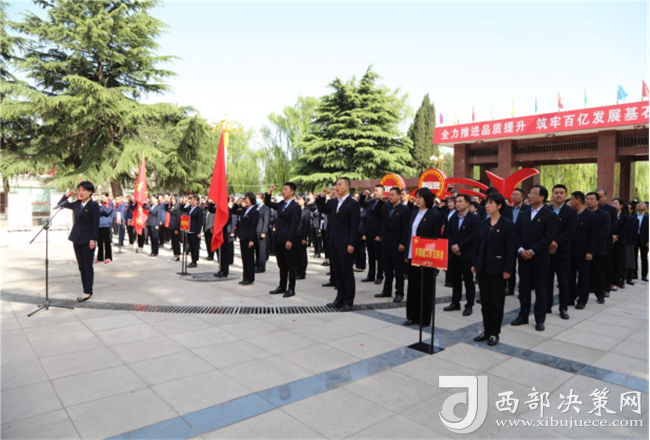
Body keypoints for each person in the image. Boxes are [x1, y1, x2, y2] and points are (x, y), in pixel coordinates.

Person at [472, 192, 515, 346]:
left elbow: (510, 249)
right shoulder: (483, 223)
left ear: (499, 206)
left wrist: (508, 269)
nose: (487, 206)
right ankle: (486, 330)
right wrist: (475, 263)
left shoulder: (507, 224)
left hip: (498, 268)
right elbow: (477, 245)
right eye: (486, 203)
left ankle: (494, 333)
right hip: (483, 268)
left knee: (497, 303)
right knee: (485, 302)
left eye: (491, 203)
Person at [512, 185, 556, 331]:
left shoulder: (549, 215)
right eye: (530, 193)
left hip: (540, 258)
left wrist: (532, 251)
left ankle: (540, 319)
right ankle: (523, 315)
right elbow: (516, 233)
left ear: (542, 197)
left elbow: (548, 237)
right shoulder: (524, 213)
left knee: (541, 290)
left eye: (534, 194)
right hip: (523, 257)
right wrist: (520, 249)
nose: (530, 196)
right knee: (524, 288)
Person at [316, 178, 360, 311]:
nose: (337, 187)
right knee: (338, 272)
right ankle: (339, 298)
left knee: (346, 273)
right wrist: (322, 197)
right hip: (333, 242)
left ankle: (348, 301)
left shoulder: (352, 204)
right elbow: (322, 209)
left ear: (347, 187)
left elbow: (354, 226)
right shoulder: (334, 202)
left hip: (345, 243)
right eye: (336, 185)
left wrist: (351, 243)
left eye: (340, 185)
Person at [403, 188, 442, 326]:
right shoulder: (414, 213)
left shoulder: (434, 215)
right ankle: (412, 316)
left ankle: (424, 318)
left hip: (426, 256)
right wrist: (407, 252)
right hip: (413, 255)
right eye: (416, 197)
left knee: (425, 287)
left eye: (420, 197)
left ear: (427, 199)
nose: (417, 200)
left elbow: (435, 238)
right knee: (413, 287)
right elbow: (410, 234)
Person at [58, 182, 100, 302]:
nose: (81, 192)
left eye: (84, 190)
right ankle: (85, 288)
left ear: (90, 192)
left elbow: (95, 224)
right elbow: (60, 204)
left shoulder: (94, 205)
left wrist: (93, 239)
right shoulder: (77, 203)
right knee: (81, 266)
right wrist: (67, 195)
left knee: (87, 266)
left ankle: (88, 291)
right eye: (79, 190)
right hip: (76, 238)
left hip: (88, 239)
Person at [545, 184, 577, 319]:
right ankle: (546, 306)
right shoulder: (546, 210)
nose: (558, 195)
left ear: (566, 195)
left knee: (563, 281)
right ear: (552, 194)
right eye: (556, 192)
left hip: (563, 251)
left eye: (561, 193)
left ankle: (563, 308)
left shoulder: (571, 212)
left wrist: (556, 243)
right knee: (547, 280)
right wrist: (548, 242)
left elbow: (570, 231)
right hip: (546, 251)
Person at [444, 194, 479, 316]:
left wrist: (460, 246)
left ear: (467, 203)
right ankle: (455, 302)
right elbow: (448, 233)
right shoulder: (453, 217)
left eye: (460, 201)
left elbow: (473, 235)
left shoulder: (474, 218)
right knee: (455, 280)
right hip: (454, 254)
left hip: (467, 254)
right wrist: (453, 246)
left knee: (468, 281)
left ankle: (469, 305)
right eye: (456, 202)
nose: (457, 204)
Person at [265, 182, 301, 298]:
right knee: (282, 265)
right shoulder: (281, 204)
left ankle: (291, 288)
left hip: (287, 240)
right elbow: (268, 203)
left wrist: (289, 240)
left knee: (290, 265)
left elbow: (294, 225)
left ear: (292, 192)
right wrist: (270, 191)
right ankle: (282, 286)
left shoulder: (295, 207)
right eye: (283, 189)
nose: (283, 191)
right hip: (278, 238)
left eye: (286, 189)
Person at [376, 188, 410, 302]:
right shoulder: (387, 208)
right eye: (389, 195)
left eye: (392, 195)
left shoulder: (404, 210)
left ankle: (399, 292)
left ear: (399, 196)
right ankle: (387, 290)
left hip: (397, 243)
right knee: (387, 268)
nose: (390, 197)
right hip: (386, 242)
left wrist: (403, 243)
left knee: (398, 270)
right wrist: (381, 236)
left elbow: (406, 228)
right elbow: (382, 223)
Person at [568, 191, 598, 309]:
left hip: (584, 252)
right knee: (570, 276)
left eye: (572, 199)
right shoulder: (571, 214)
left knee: (583, 277)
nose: (570, 201)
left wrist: (590, 251)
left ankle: (582, 300)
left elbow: (593, 236)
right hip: (570, 251)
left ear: (578, 200)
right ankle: (570, 297)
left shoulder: (591, 216)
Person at [586, 192, 610, 305]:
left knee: (598, 272)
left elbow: (604, 232)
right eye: (587, 199)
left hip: (598, 248)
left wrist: (592, 243)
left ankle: (600, 294)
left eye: (592, 199)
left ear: (597, 201)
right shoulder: (582, 213)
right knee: (584, 273)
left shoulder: (604, 215)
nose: (589, 201)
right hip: (583, 248)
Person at [231, 192, 259, 286]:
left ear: (251, 199)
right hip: (242, 237)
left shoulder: (255, 211)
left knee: (249, 259)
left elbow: (253, 227)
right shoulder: (244, 210)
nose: (245, 200)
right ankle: (245, 277)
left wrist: (251, 240)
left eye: (247, 198)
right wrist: (237, 203)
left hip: (249, 238)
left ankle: (250, 279)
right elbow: (233, 211)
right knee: (244, 259)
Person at [360, 185, 386, 285]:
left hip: (378, 234)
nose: (375, 192)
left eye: (377, 191)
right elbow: (361, 204)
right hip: (369, 233)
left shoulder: (385, 204)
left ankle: (379, 276)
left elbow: (384, 222)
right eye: (374, 190)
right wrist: (363, 195)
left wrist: (381, 235)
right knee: (371, 256)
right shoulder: (371, 202)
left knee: (379, 257)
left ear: (382, 192)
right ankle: (371, 275)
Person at [507, 188, 530, 296]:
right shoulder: (508, 209)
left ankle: (522, 288)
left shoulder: (527, 209)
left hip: (522, 241)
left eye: (517, 195)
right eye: (513, 194)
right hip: (509, 240)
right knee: (510, 265)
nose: (514, 197)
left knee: (522, 267)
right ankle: (510, 287)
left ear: (522, 197)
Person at [596, 189, 617, 296]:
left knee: (607, 266)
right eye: (597, 196)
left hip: (605, 242)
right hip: (592, 242)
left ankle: (606, 287)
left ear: (605, 197)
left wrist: (600, 237)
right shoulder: (591, 209)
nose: (598, 199)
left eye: (600, 196)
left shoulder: (611, 210)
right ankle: (594, 286)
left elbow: (612, 226)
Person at [611, 198, 629, 291]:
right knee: (609, 263)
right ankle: (609, 281)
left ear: (621, 205)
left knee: (618, 263)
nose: (613, 205)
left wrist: (617, 236)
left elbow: (625, 229)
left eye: (616, 203)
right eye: (612, 203)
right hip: (610, 241)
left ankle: (616, 283)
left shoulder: (625, 217)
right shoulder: (609, 215)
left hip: (620, 242)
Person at [96, 192, 114, 264]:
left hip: (106, 225)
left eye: (103, 197)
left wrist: (101, 207)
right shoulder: (100, 203)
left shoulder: (110, 204)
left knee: (107, 242)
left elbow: (107, 212)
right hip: (99, 225)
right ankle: (100, 258)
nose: (102, 199)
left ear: (107, 197)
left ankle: (108, 257)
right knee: (99, 242)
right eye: (101, 197)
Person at [255, 193, 271, 273]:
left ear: (262, 199)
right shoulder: (256, 207)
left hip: (261, 230)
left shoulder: (266, 208)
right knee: (257, 249)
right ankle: (257, 264)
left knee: (262, 250)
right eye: (256, 198)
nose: (256, 199)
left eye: (258, 198)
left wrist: (263, 231)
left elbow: (266, 221)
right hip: (256, 230)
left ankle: (261, 267)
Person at [186, 195, 204, 268]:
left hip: (195, 230)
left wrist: (198, 232)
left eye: (194, 200)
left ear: (197, 201)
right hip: (188, 229)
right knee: (190, 246)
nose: (192, 201)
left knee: (195, 246)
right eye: (191, 200)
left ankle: (194, 261)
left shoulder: (199, 210)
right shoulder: (189, 208)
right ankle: (192, 260)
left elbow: (200, 222)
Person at [168, 194, 182, 262]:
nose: (172, 200)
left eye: (174, 199)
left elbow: (178, 219)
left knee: (176, 242)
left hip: (175, 227)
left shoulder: (178, 208)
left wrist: (177, 228)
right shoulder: (172, 207)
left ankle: (177, 255)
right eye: (172, 199)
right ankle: (175, 255)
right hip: (171, 226)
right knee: (173, 242)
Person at [637, 202, 649, 281]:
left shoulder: (648, 217)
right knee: (633, 256)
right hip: (635, 238)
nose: (640, 205)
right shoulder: (634, 216)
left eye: (642, 204)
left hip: (644, 239)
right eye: (639, 204)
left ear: (645, 207)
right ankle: (634, 274)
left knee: (644, 257)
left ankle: (644, 275)